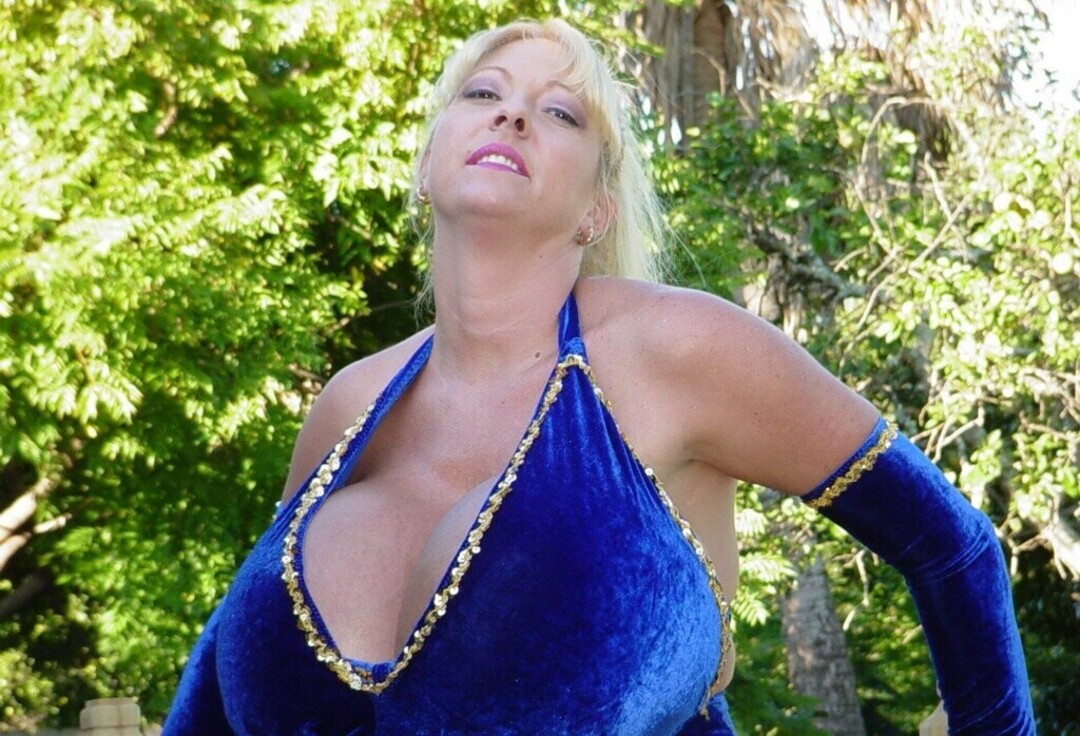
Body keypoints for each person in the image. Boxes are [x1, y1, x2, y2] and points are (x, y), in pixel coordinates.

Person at [163, 18, 1035, 736]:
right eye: (483, 94)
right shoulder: (350, 406)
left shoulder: (677, 350)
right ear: (427, 166)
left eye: (560, 113)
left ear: (596, 209)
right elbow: (214, 682)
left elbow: (953, 548)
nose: (512, 116)